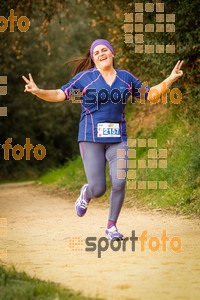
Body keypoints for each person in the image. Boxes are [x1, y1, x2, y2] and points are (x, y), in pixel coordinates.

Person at [22, 39, 183, 241]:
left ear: (112, 53)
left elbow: (151, 95)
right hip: (91, 139)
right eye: (96, 52)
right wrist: (38, 92)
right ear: (94, 59)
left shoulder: (126, 78)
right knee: (98, 189)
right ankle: (86, 194)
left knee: (120, 181)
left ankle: (111, 227)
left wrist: (170, 79)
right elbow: (58, 94)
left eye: (104, 49)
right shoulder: (85, 79)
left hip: (118, 139)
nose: (101, 53)